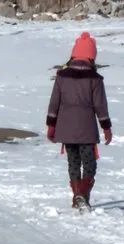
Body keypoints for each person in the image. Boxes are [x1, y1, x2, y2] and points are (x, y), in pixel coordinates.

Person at [46, 32, 113, 210]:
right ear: (91, 56)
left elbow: (54, 103)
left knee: (73, 162)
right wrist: (106, 127)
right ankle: (82, 195)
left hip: (65, 128)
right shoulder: (95, 79)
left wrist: (51, 126)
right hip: (86, 129)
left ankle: (77, 197)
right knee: (89, 163)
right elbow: (101, 106)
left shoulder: (61, 76)